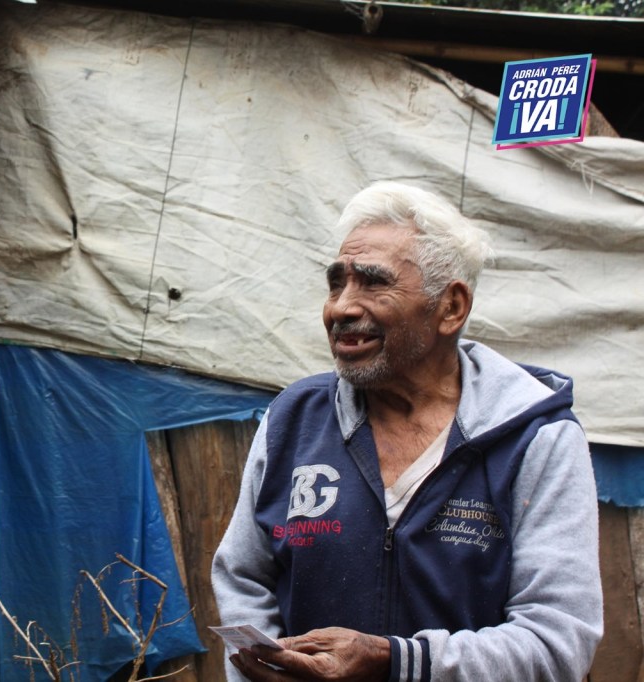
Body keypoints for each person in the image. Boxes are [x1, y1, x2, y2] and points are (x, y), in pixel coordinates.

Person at [211, 181, 603, 682]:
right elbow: (244, 579)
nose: (340, 308)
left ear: (451, 307)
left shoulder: (534, 438)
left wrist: (396, 663)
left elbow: (558, 641)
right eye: (337, 284)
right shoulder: (293, 420)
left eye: (373, 283)